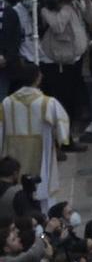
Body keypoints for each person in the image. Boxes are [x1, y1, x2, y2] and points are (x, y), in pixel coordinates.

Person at [0, 69, 70, 211]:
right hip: (41, 152)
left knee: (17, 190)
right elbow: (62, 124)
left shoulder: (7, 103)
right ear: (37, 79)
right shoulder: (47, 103)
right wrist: (61, 140)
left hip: (14, 152)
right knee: (42, 190)